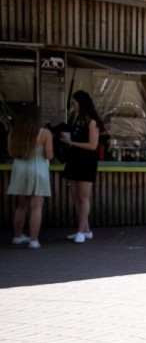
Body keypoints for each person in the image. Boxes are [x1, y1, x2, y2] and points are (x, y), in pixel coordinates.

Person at [7, 104, 54, 249]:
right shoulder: (45, 133)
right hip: (38, 167)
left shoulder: (14, 132)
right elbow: (50, 155)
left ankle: (18, 236)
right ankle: (34, 241)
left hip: (20, 167)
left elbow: (10, 152)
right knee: (36, 207)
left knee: (21, 206)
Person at [60, 90, 102, 243]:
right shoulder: (77, 119)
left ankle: (80, 230)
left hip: (86, 161)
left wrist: (71, 143)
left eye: (74, 103)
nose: (73, 106)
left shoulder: (93, 122)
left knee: (84, 196)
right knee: (75, 195)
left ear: (82, 103)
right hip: (73, 161)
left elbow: (93, 145)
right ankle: (85, 228)